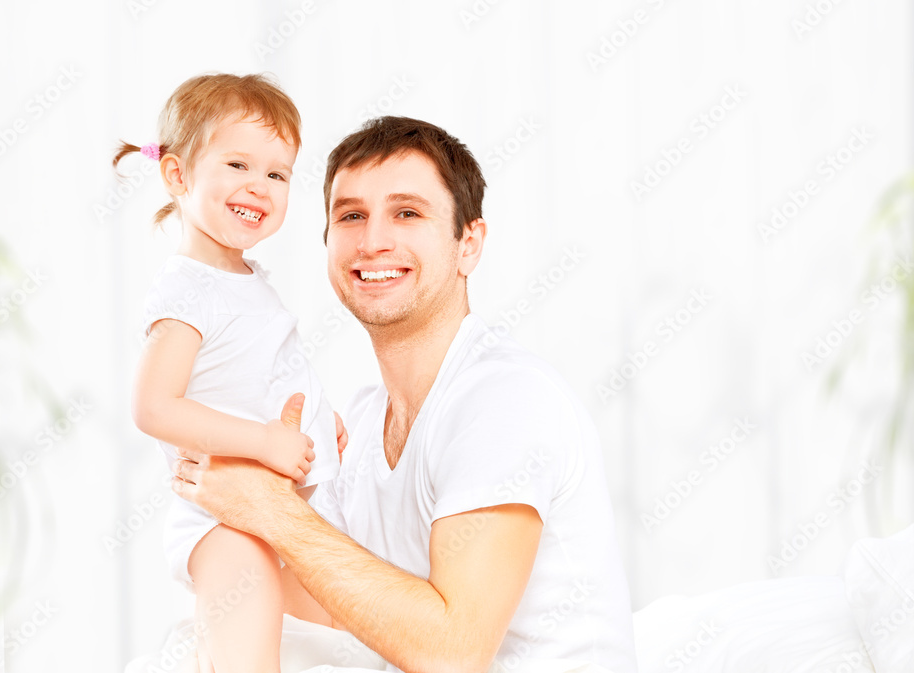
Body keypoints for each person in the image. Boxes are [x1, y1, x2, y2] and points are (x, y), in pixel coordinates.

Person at [171, 116, 639, 673]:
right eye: (351, 216)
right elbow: (341, 601)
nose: (373, 241)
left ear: (469, 244)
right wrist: (259, 501)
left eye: (407, 213)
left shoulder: (506, 400)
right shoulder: (368, 419)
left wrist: (272, 513)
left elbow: (452, 653)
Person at [118, 73, 340, 673]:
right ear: (178, 175)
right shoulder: (188, 288)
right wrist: (265, 441)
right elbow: (155, 408)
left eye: (277, 173)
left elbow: (255, 370)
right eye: (238, 164)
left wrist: (323, 415)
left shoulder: (245, 279)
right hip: (223, 524)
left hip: (273, 516)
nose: (259, 186)